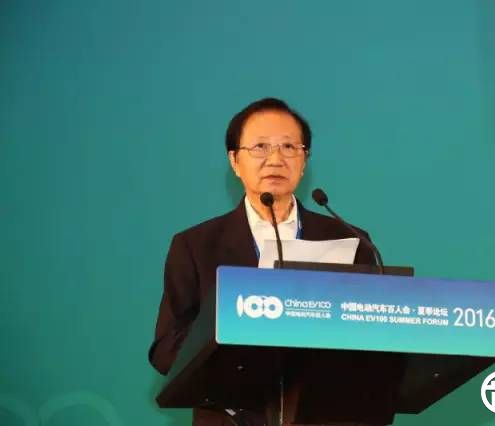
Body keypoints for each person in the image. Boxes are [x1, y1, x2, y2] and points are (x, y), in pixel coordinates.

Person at [148, 97, 377, 425]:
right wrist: (234, 349)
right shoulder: (196, 246)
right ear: (234, 161)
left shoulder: (351, 240)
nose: (275, 159)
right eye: (260, 147)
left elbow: (371, 336)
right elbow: (166, 349)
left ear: (304, 161)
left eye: (289, 147)